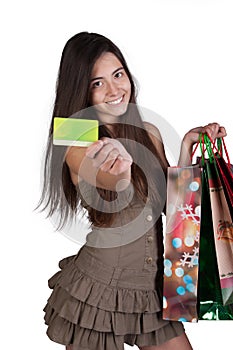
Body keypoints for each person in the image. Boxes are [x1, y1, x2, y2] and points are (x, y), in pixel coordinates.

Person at [40, 32, 226, 350]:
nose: (114, 90)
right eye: (97, 83)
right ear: (81, 90)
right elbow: (105, 180)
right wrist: (120, 174)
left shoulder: (146, 130)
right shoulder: (74, 135)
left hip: (153, 290)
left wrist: (186, 148)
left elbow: (172, 209)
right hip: (99, 290)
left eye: (118, 75)